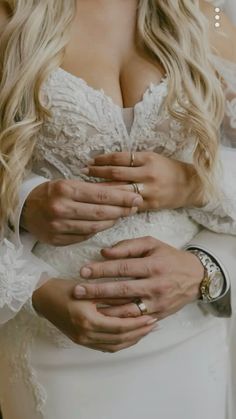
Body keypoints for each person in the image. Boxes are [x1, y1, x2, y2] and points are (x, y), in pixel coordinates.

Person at [0, 1, 236, 418]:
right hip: (56, 346)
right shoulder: (11, 13)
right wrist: (33, 284)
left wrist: (194, 187)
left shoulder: (205, 12)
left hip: (189, 340)